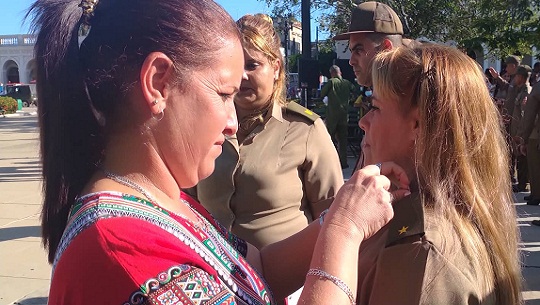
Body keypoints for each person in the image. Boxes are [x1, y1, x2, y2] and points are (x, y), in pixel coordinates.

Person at [30, 1, 411, 304]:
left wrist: (342, 210)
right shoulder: (123, 248)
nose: (233, 121)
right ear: (158, 83)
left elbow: (257, 267)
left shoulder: (166, 202)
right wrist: (344, 232)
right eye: (223, 95)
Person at [356, 44, 522, 304]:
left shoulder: (419, 256)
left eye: (375, 107)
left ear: (418, 125)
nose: (363, 121)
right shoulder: (438, 220)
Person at [187, 14, 344, 249]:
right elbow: (185, 203)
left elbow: (333, 220)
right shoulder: (204, 127)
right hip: (215, 277)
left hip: (287, 281)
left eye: (252, 65)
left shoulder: (305, 130)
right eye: (235, 66)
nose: (242, 76)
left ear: (276, 68)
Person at [333, 1, 405, 172]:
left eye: (358, 50)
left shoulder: (412, 100)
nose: (351, 61)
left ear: (386, 48)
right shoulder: (387, 93)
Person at [320, 65, 355, 169]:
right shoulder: (347, 83)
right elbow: (355, 91)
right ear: (340, 73)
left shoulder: (331, 82)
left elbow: (322, 93)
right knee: (343, 141)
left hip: (332, 115)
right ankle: (343, 162)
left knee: (329, 139)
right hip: (344, 116)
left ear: (332, 73)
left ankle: (329, 162)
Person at [516, 73, 540, 206]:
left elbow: (529, 116)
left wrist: (523, 138)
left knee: (535, 167)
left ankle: (536, 194)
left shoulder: (537, 88)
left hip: (536, 135)